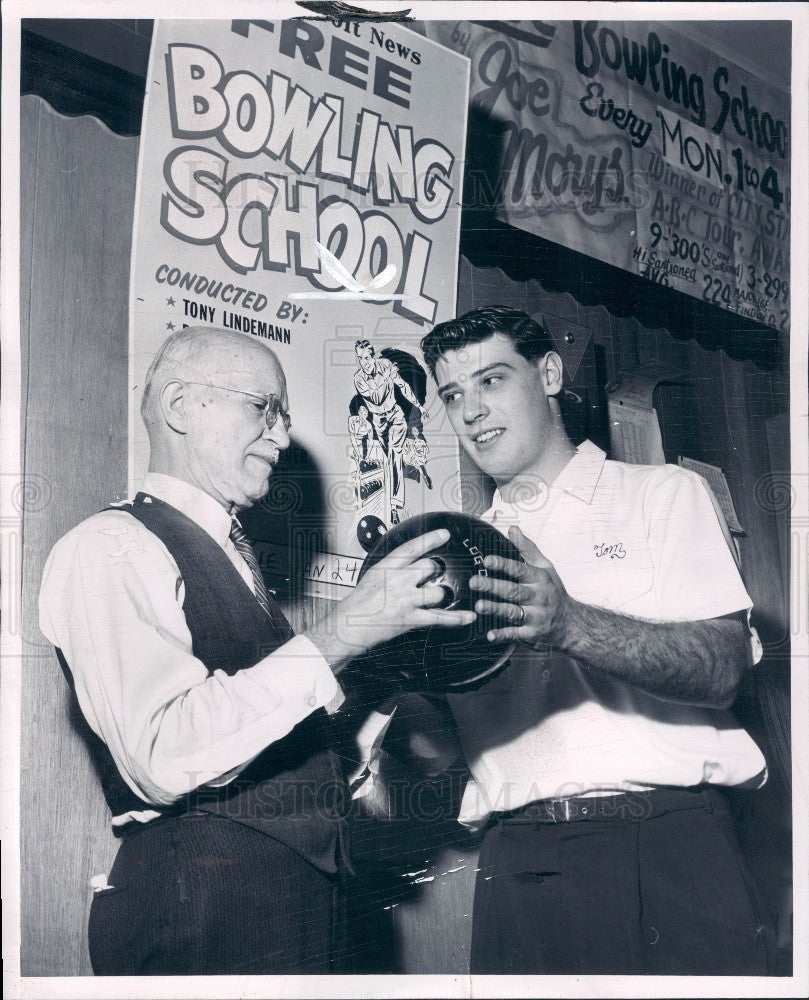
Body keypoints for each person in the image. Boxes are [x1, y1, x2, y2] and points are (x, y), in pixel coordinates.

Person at [39, 326, 474, 976]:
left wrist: (377, 684)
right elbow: (162, 754)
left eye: (284, 416)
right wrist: (342, 631)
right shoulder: (109, 545)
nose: (279, 435)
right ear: (182, 406)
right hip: (204, 901)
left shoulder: (236, 566)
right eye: (261, 408)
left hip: (300, 901)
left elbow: (272, 760)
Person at [418, 305, 771, 975]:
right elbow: (442, 749)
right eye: (452, 394)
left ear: (547, 373)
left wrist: (571, 624)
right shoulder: (454, 552)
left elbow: (724, 668)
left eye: (491, 381)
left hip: (660, 839)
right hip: (515, 857)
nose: (470, 411)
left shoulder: (660, 495)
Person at [353, 340, 427, 523]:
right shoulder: (359, 379)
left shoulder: (384, 365)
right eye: (360, 359)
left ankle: (394, 506)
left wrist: (419, 406)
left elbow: (402, 386)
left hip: (396, 416)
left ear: (373, 356)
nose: (365, 362)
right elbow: (376, 399)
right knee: (383, 461)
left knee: (395, 456)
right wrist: (387, 377)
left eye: (367, 358)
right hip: (378, 421)